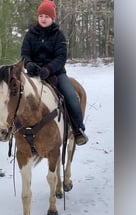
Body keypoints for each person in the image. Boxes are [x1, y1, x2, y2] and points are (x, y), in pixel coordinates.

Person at [21, 0, 88, 145]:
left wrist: (49, 69)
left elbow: (61, 57)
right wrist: (29, 63)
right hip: (33, 74)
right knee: (18, 95)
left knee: (71, 95)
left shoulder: (59, 36)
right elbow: (24, 54)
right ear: (38, 17)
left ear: (52, 18)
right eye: (41, 15)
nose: (43, 18)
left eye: (47, 16)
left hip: (56, 73)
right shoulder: (30, 35)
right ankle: (14, 130)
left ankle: (78, 130)